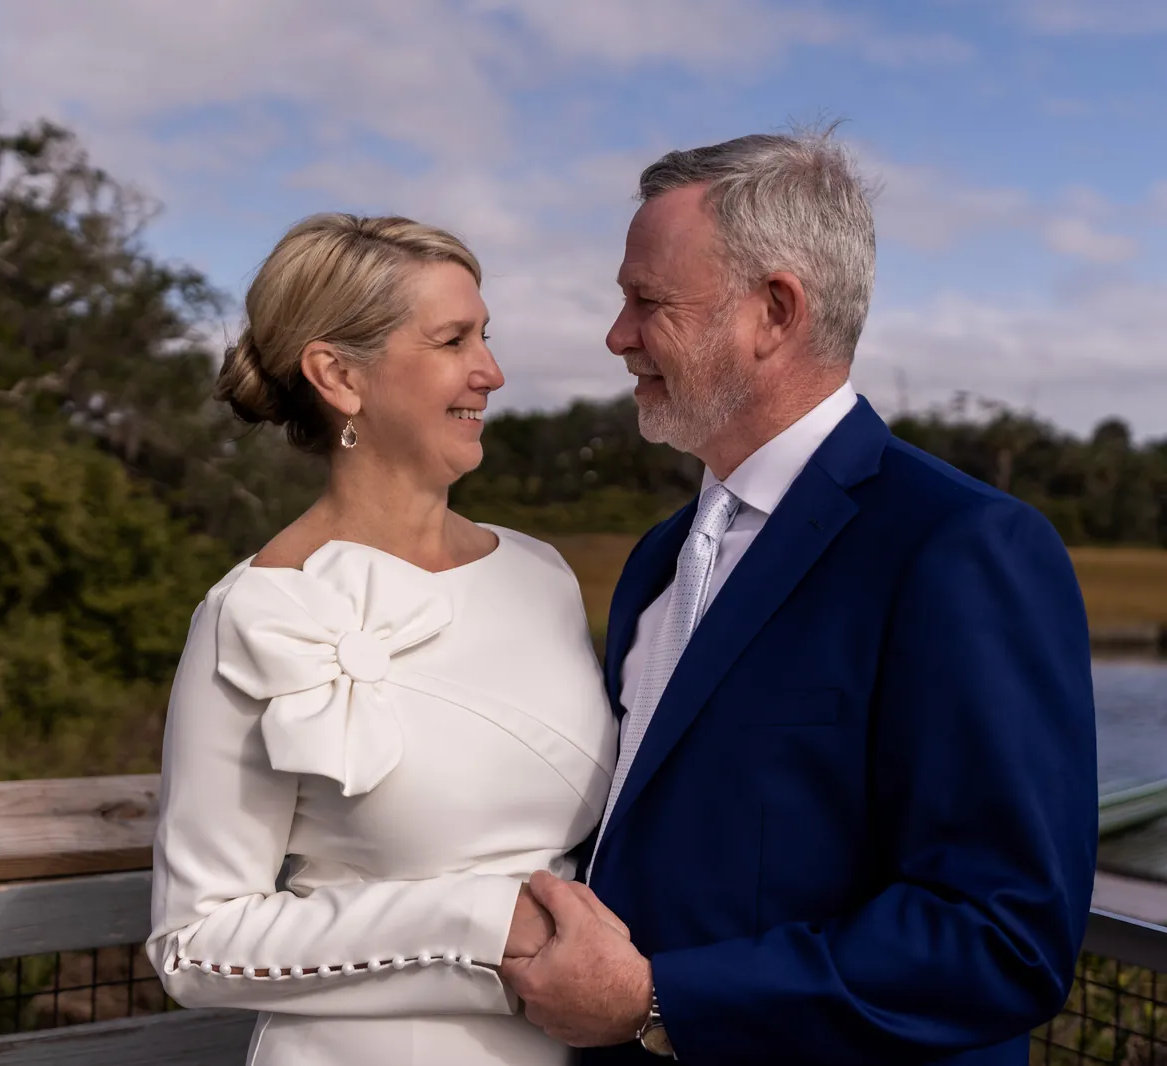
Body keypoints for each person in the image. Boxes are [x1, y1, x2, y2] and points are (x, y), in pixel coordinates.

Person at [501, 130, 1099, 1064]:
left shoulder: (961, 547)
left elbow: (1004, 938)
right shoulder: (660, 559)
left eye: (648, 301)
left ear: (774, 312)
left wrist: (660, 1001)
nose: (617, 335)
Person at [145, 213, 620, 1065]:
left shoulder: (540, 574)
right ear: (338, 376)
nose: (492, 371)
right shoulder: (252, 614)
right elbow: (196, 943)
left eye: (486, 336)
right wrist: (482, 927)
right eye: (453, 340)